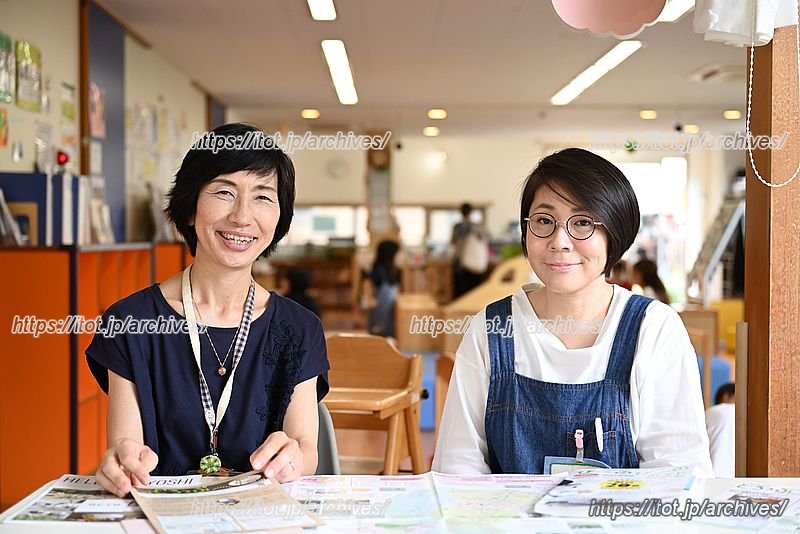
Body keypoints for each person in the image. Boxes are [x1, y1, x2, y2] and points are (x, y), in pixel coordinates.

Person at [433, 148, 712, 476]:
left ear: (614, 233)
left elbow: (678, 475)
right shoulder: (491, 328)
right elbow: (457, 469)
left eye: (582, 222)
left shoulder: (654, 329)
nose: (560, 241)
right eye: (543, 221)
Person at [86, 123, 330, 496]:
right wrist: (121, 460)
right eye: (224, 192)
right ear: (189, 209)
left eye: (263, 197)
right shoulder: (129, 323)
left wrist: (293, 458)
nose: (242, 217)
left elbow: (306, 447)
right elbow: (126, 444)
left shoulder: (300, 328)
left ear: (279, 217)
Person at [451, 203, 489, 299]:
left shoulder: (458, 227)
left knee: (460, 292)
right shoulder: (477, 227)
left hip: (459, 263)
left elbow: (453, 242)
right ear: (471, 212)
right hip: (476, 263)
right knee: (474, 291)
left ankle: (459, 312)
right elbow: (485, 240)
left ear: (461, 212)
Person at [367, 239, 400, 338]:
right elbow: (367, 283)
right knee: (379, 332)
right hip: (379, 309)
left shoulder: (391, 269)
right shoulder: (378, 269)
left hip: (389, 310)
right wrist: (369, 298)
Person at [706, 383, 735, 478]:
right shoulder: (745, 413)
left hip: (712, 472)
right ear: (726, 395)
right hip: (740, 475)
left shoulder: (710, 412)